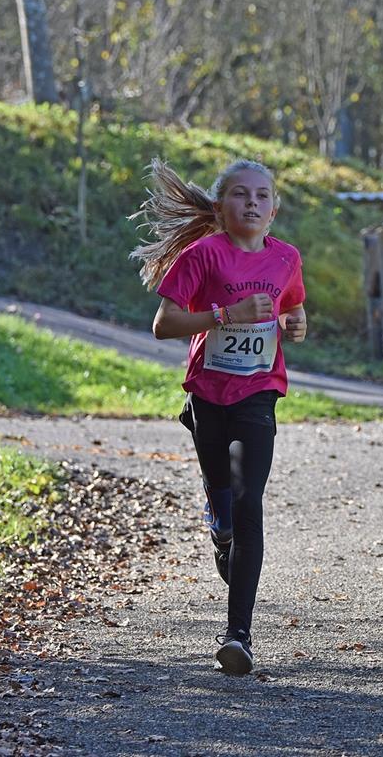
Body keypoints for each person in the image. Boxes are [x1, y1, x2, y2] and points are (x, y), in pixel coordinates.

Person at [130, 157, 306, 676]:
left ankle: (238, 636)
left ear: (273, 209)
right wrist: (225, 316)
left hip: (259, 392)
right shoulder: (202, 254)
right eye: (239, 195)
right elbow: (164, 324)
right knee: (222, 497)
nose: (251, 203)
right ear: (220, 205)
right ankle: (219, 528)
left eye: (261, 196)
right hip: (208, 393)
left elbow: (293, 308)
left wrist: (295, 325)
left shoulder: (286, 258)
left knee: (250, 502)